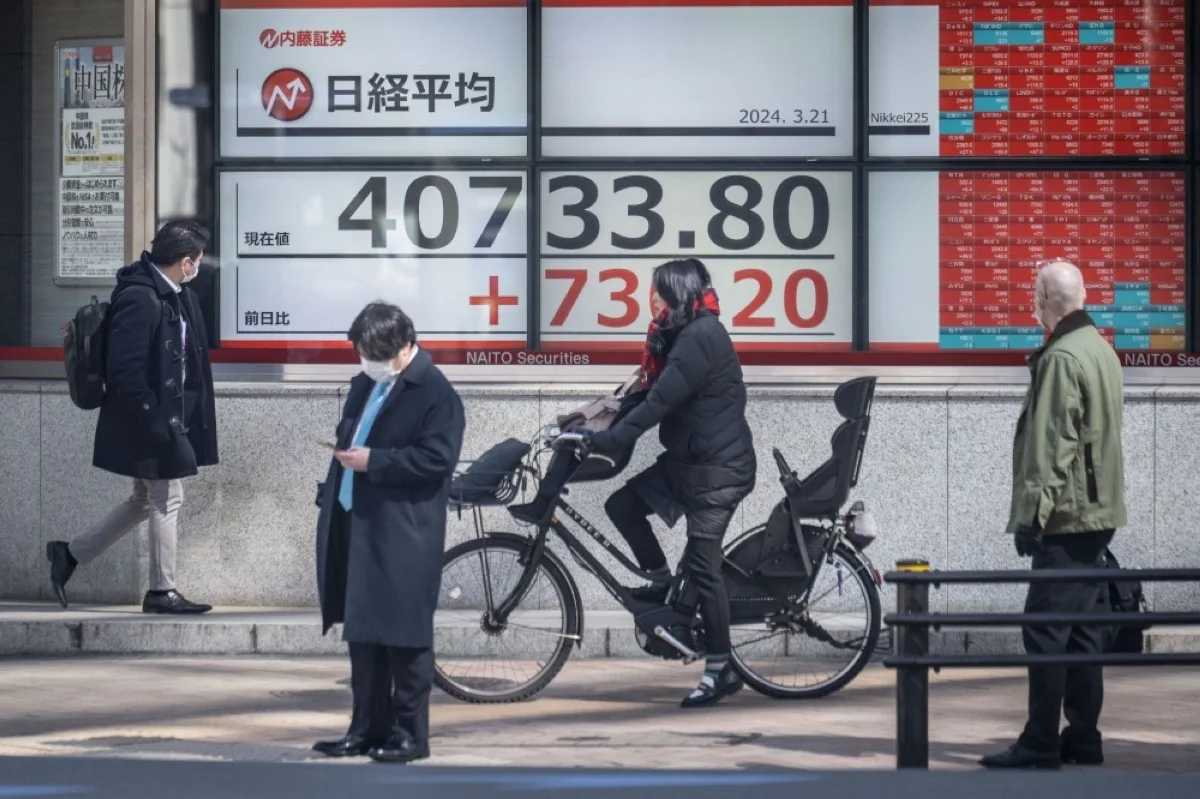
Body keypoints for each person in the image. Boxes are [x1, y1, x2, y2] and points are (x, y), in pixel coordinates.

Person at [590, 258, 756, 708]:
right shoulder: (680, 334)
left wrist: (614, 438)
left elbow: (662, 400)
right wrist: (603, 420)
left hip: (718, 471)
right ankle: (664, 585)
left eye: (659, 292)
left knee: (704, 568)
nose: (652, 300)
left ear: (679, 294)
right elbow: (648, 390)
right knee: (622, 505)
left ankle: (721, 669)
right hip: (689, 462)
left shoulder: (701, 336)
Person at [981, 259, 1126, 770]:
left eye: (1033, 294)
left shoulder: (1062, 357)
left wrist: (1031, 516)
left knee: (1043, 625)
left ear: (1043, 297)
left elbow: (1053, 443)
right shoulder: (1101, 350)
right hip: (1098, 511)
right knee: (1083, 628)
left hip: (1066, 515)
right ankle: (1083, 736)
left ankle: (1040, 740)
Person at [312, 302, 465, 764]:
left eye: (374, 353)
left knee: (404, 636)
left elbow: (438, 460)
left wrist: (374, 461)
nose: (367, 361)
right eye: (361, 352)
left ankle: (409, 734)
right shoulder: (366, 382)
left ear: (403, 347)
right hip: (358, 519)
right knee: (364, 634)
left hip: (404, 529)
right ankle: (365, 727)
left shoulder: (435, 392)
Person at [46, 220, 218, 614]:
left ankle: (68, 555)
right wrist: (156, 420)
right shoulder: (141, 298)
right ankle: (161, 591)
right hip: (149, 420)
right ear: (186, 261)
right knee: (167, 498)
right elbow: (124, 370)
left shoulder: (171, 292)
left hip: (164, 417)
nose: (199, 266)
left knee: (144, 499)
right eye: (198, 260)